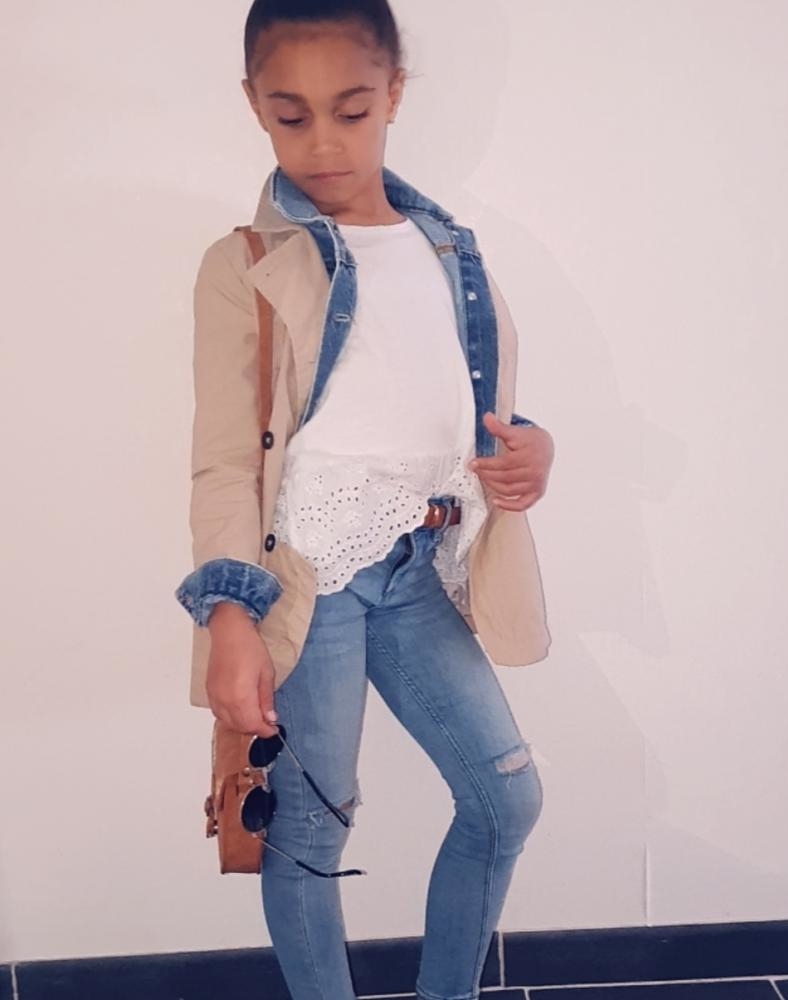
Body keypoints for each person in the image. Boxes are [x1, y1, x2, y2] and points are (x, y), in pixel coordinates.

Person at [174, 2, 556, 998]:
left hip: (420, 570)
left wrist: (529, 450)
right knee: (312, 823)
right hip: (308, 582)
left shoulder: (450, 250)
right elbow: (225, 461)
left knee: (504, 803)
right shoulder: (244, 265)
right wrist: (229, 614)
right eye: (290, 115)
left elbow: (460, 409)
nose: (323, 143)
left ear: (393, 93)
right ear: (254, 105)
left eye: (350, 110)